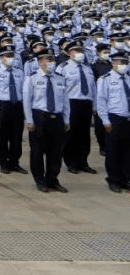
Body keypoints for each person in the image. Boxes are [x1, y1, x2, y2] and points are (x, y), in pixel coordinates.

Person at [23, 48, 70, 193]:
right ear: (40, 61)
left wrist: (67, 119)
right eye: (48, 59)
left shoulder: (60, 78)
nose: (51, 62)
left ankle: (52, 179)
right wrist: (29, 120)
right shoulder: (32, 78)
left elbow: (66, 101)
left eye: (52, 59)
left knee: (55, 152)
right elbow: (27, 101)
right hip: (40, 117)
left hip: (57, 118)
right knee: (37, 151)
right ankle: (40, 180)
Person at [57, 41, 97, 174]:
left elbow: (93, 89)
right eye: (76, 51)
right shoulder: (63, 68)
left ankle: (83, 162)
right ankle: (71, 162)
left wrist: (95, 106)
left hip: (86, 103)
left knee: (84, 135)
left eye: (81, 51)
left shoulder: (87, 69)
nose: (80, 54)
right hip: (71, 103)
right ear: (69, 53)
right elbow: (59, 89)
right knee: (71, 134)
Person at [0, 44, 27, 175]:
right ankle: (3, 162)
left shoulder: (19, 72)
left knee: (16, 135)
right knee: (2, 135)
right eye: (7, 56)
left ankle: (14, 162)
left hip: (17, 105)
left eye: (12, 56)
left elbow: (24, 91)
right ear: (1, 58)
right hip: (2, 105)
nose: (10, 58)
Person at [95, 51, 130, 192]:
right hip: (114, 118)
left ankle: (125, 179)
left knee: (127, 152)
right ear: (114, 63)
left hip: (128, 119)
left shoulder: (128, 78)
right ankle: (113, 180)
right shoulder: (105, 79)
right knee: (113, 152)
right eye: (121, 63)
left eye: (125, 63)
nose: (123, 66)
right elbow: (101, 101)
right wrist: (105, 121)